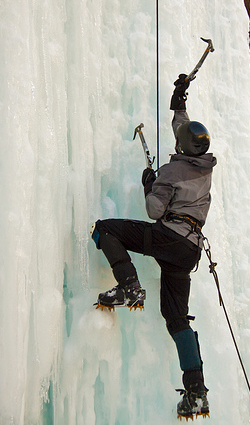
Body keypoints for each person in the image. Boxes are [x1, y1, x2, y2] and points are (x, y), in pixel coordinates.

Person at [90, 74, 217, 419]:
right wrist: (179, 99)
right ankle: (196, 391)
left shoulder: (174, 171)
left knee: (105, 230)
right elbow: (184, 128)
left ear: (183, 149)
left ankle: (129, 286)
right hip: (189, 250)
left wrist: (151, 184)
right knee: (176, 319)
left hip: (169, 238)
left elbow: (154, 210)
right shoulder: (204, 166)